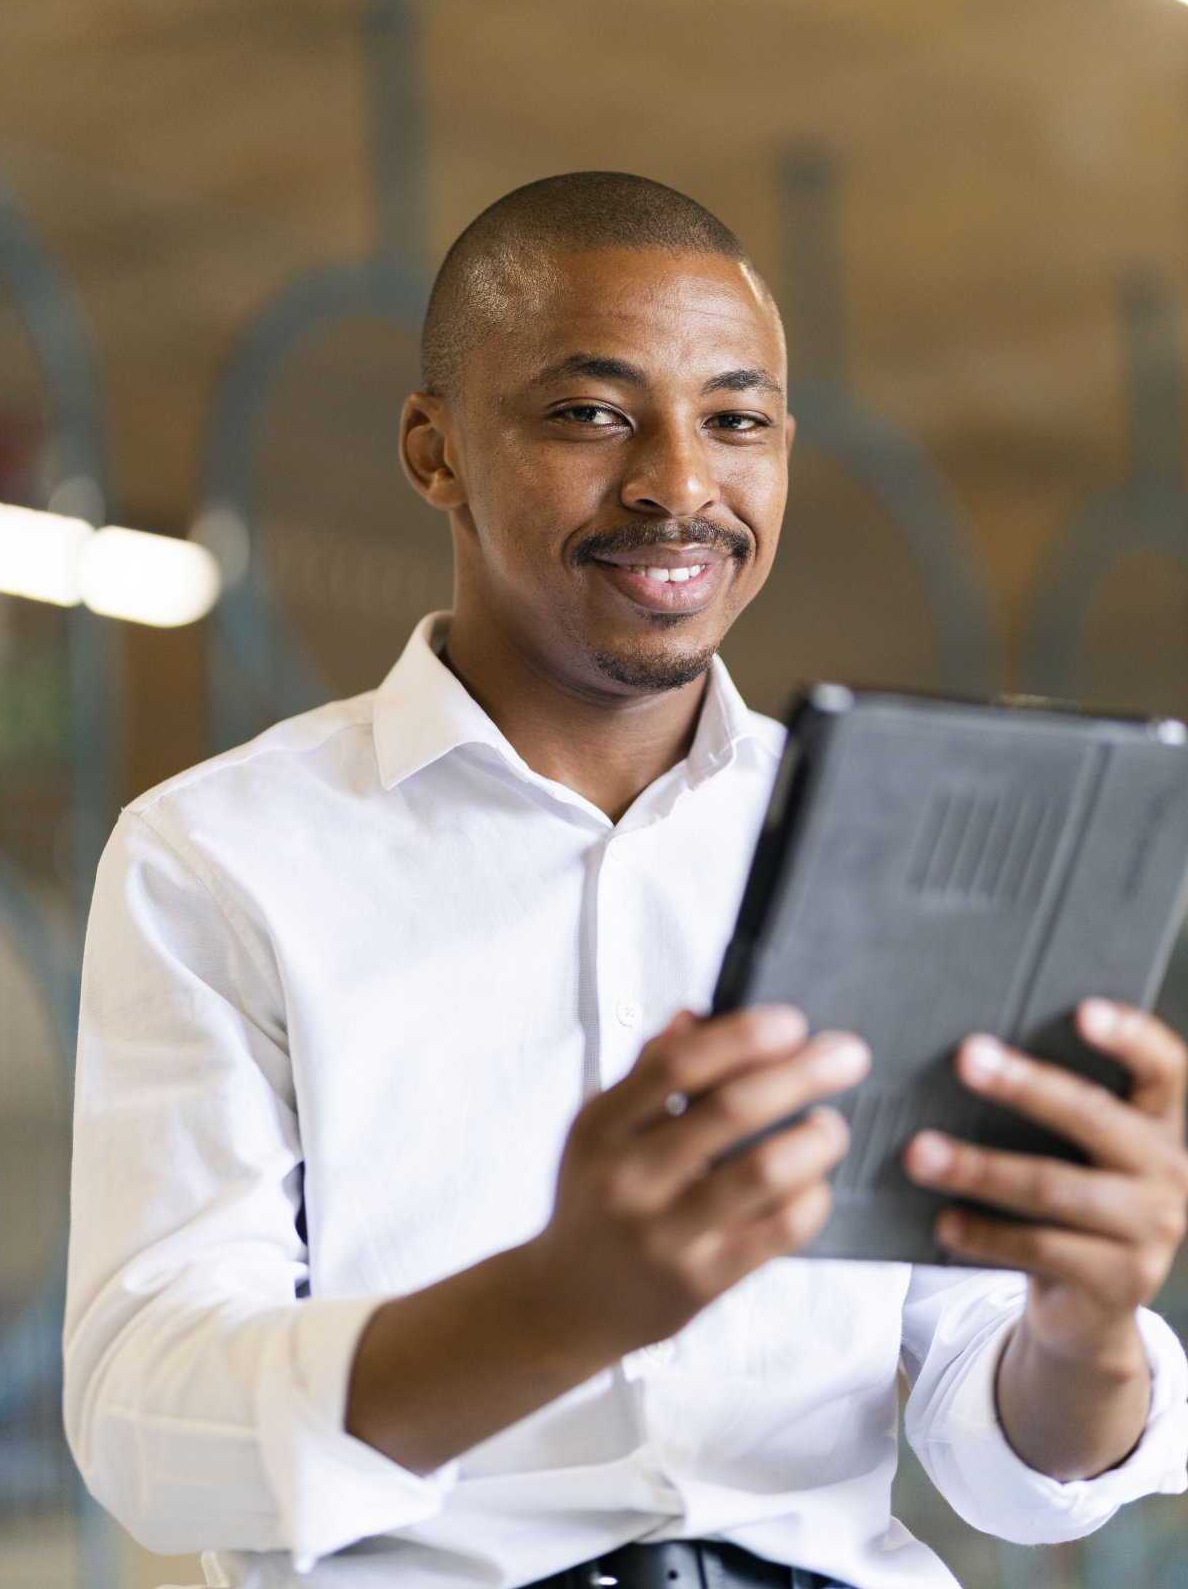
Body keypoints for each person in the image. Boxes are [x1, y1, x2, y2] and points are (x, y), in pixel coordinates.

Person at [63, 173, 1188, 1589]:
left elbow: (1011, 1461)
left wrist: (1084, 1325)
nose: (679, 483)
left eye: (737, 419)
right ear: (436, 451)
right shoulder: (221, 857)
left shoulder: (895, 838)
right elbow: (149, 1432)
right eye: (591, 414)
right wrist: (555, 1306)